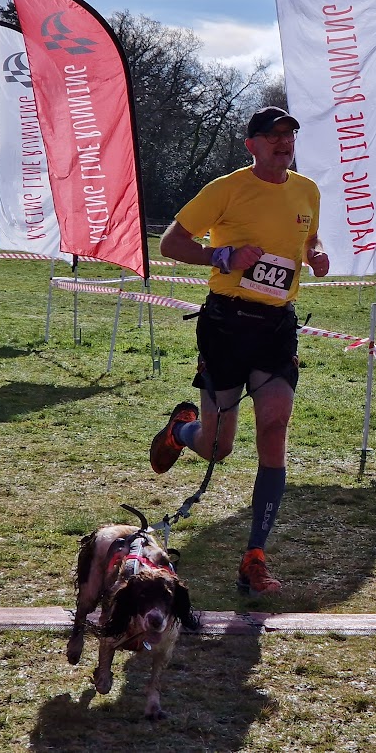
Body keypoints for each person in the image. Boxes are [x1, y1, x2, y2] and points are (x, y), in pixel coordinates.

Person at [148, 105, 330, 596]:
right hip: (226, 324)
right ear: (251, 144)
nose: (284, 142)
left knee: (274, 426)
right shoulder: (225, 189)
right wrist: (221, 255)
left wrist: (314, 255)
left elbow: (308, 239)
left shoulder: (307, 190)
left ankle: (254, 556)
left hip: (276, 327)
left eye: (290, 135)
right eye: (273, 136)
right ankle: (181, 430)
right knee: (219, 446)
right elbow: (170, 243)